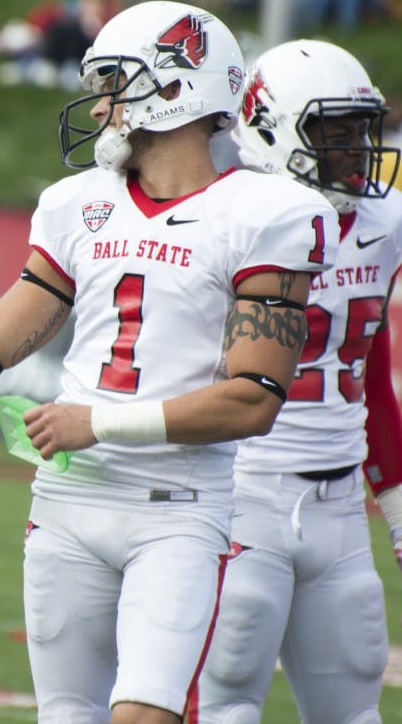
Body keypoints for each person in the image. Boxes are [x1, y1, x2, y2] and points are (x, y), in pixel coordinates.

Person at [0, 1, 339, 724]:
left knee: (144, 715)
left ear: (175, 88)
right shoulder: (80, 204)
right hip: (68, 508)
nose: (103, 104)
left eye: (116, 82)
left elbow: (253, 400)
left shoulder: (263, 212)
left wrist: (101, 424)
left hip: (176, 511)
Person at [195, 39, 402, 724]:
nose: (354, 152)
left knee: (354, 708)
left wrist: (397, 509)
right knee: (225, 698)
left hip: (340, 503)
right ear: (269, 130)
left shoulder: (382, 222)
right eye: (331, 134)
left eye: (361, 132)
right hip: (242, 491)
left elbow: (371, 374)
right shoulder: (224, 215)